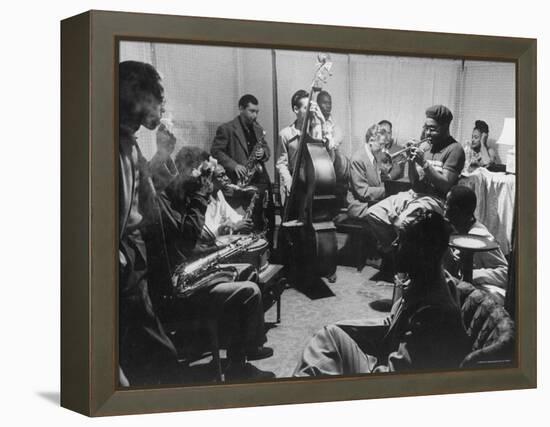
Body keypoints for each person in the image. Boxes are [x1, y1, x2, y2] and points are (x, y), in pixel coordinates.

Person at [147, 146, 274, 379]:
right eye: (203, 176)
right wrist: (201, 197)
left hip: (189, 269)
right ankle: (239, 367)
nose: (205, 182)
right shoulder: (166, 203)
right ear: (191, 173)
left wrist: (217, 249)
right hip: (180, 290)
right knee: (250, 291)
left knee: (246, 271)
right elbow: (188, 241)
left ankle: (242, 353)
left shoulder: (179, 197)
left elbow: (192, 241)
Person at [293, 211, 469, 376]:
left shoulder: (433, 313)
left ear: (421, 252)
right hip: (388, 364)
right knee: (330, 334)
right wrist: (344, 328)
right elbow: (392, 323)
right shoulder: (431, 278)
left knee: (321, 352)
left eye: (401, 241)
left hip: (385, 382)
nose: (393, 245)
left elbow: (395, 378)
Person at [118, 60, 181, 385]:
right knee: (160, 363)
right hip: (127, 269)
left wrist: (162, 154)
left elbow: (148, 197)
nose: (159, 108)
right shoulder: (118, 144)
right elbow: (136, 211)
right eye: (154, 98)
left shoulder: (125, 142)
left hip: (133, 266)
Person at [366, 105, 465, 260]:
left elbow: (445, 185)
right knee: (373, 214)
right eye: (426, 128)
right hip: (416, 194)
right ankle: (399, 254)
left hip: (436, 199)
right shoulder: (425, 146)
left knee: (402, 223)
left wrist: (424, 163)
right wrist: (411, 162)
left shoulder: (455, 149)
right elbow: (415, 183)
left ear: (445, 127)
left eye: (433, 129)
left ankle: (405, 261)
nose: (427, 133)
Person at [210, 94, 274, 243]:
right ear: (241, 109)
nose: (255, 115)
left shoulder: (258, 129)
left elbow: (267, 150)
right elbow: (216, 151)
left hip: (259, 182)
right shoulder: (226, 129)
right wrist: (234, 165)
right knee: (246, 222)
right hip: (241, 185)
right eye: (251, 111)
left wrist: (263, 153)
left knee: (263, 218)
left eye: (257, 111)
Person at [276, 89, 349, 205]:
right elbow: (281, 163)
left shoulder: (315, 131)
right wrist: (288, 181)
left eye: (311, 108)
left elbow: (328, 151)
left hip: (312, 184)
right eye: (305, 108)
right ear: (296, 109)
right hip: (294, 185)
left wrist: (321, 121)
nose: (310, 111)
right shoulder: (285, 134)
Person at [444, 186, 508, 297]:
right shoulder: (457, 230)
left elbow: (505, 273)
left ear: (457, 211)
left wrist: (472, 275)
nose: (444, 212)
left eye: (447, 206)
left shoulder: (479, 235)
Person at [346, 124, 389, 219]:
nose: (383, 149)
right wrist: (388, 190)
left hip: (371, 203)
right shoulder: (357, 159)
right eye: (381, 144)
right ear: (371, 141)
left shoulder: (374, 156)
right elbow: (363, 192)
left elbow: (376, 183)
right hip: (360, 207)